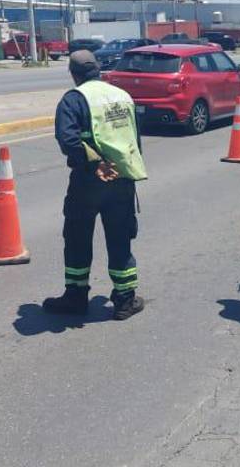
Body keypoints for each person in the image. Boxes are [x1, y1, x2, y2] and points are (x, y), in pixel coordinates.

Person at [44, 50, 148, 320]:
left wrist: (92, 163)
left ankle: (76, 297)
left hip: (89, 180)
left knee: (78, 237)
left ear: (73, 73)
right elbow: (134, 138)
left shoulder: (74, 99)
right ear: (99, 69)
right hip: (122, 178)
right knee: (120, 238)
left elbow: (68, 140)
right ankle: (125, 300)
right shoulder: (122, 96)